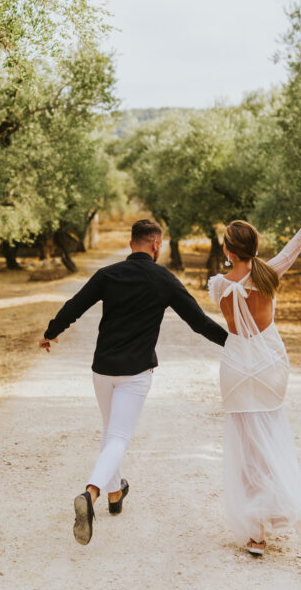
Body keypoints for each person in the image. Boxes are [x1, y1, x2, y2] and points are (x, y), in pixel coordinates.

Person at [39, 218, 228, 545]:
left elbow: (75, 306)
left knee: (110, 431)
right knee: (118, 438)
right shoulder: (164, 278)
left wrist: (51, 332)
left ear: (132, 244)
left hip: (102, 370)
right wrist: (236, 343)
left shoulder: (108, 274)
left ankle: (115, 494)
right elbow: (198, 323)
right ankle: (91, 493)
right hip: (135, 373)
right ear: (156, 244)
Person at [208, 176, 301, 555]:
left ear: (228, 249)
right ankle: (277, 509)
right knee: (270, 440)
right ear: (253, 247)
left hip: (237, 369)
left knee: (244, 448)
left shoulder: (218, 285)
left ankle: (256, 532)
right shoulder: (269, 273)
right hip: (269, 366)